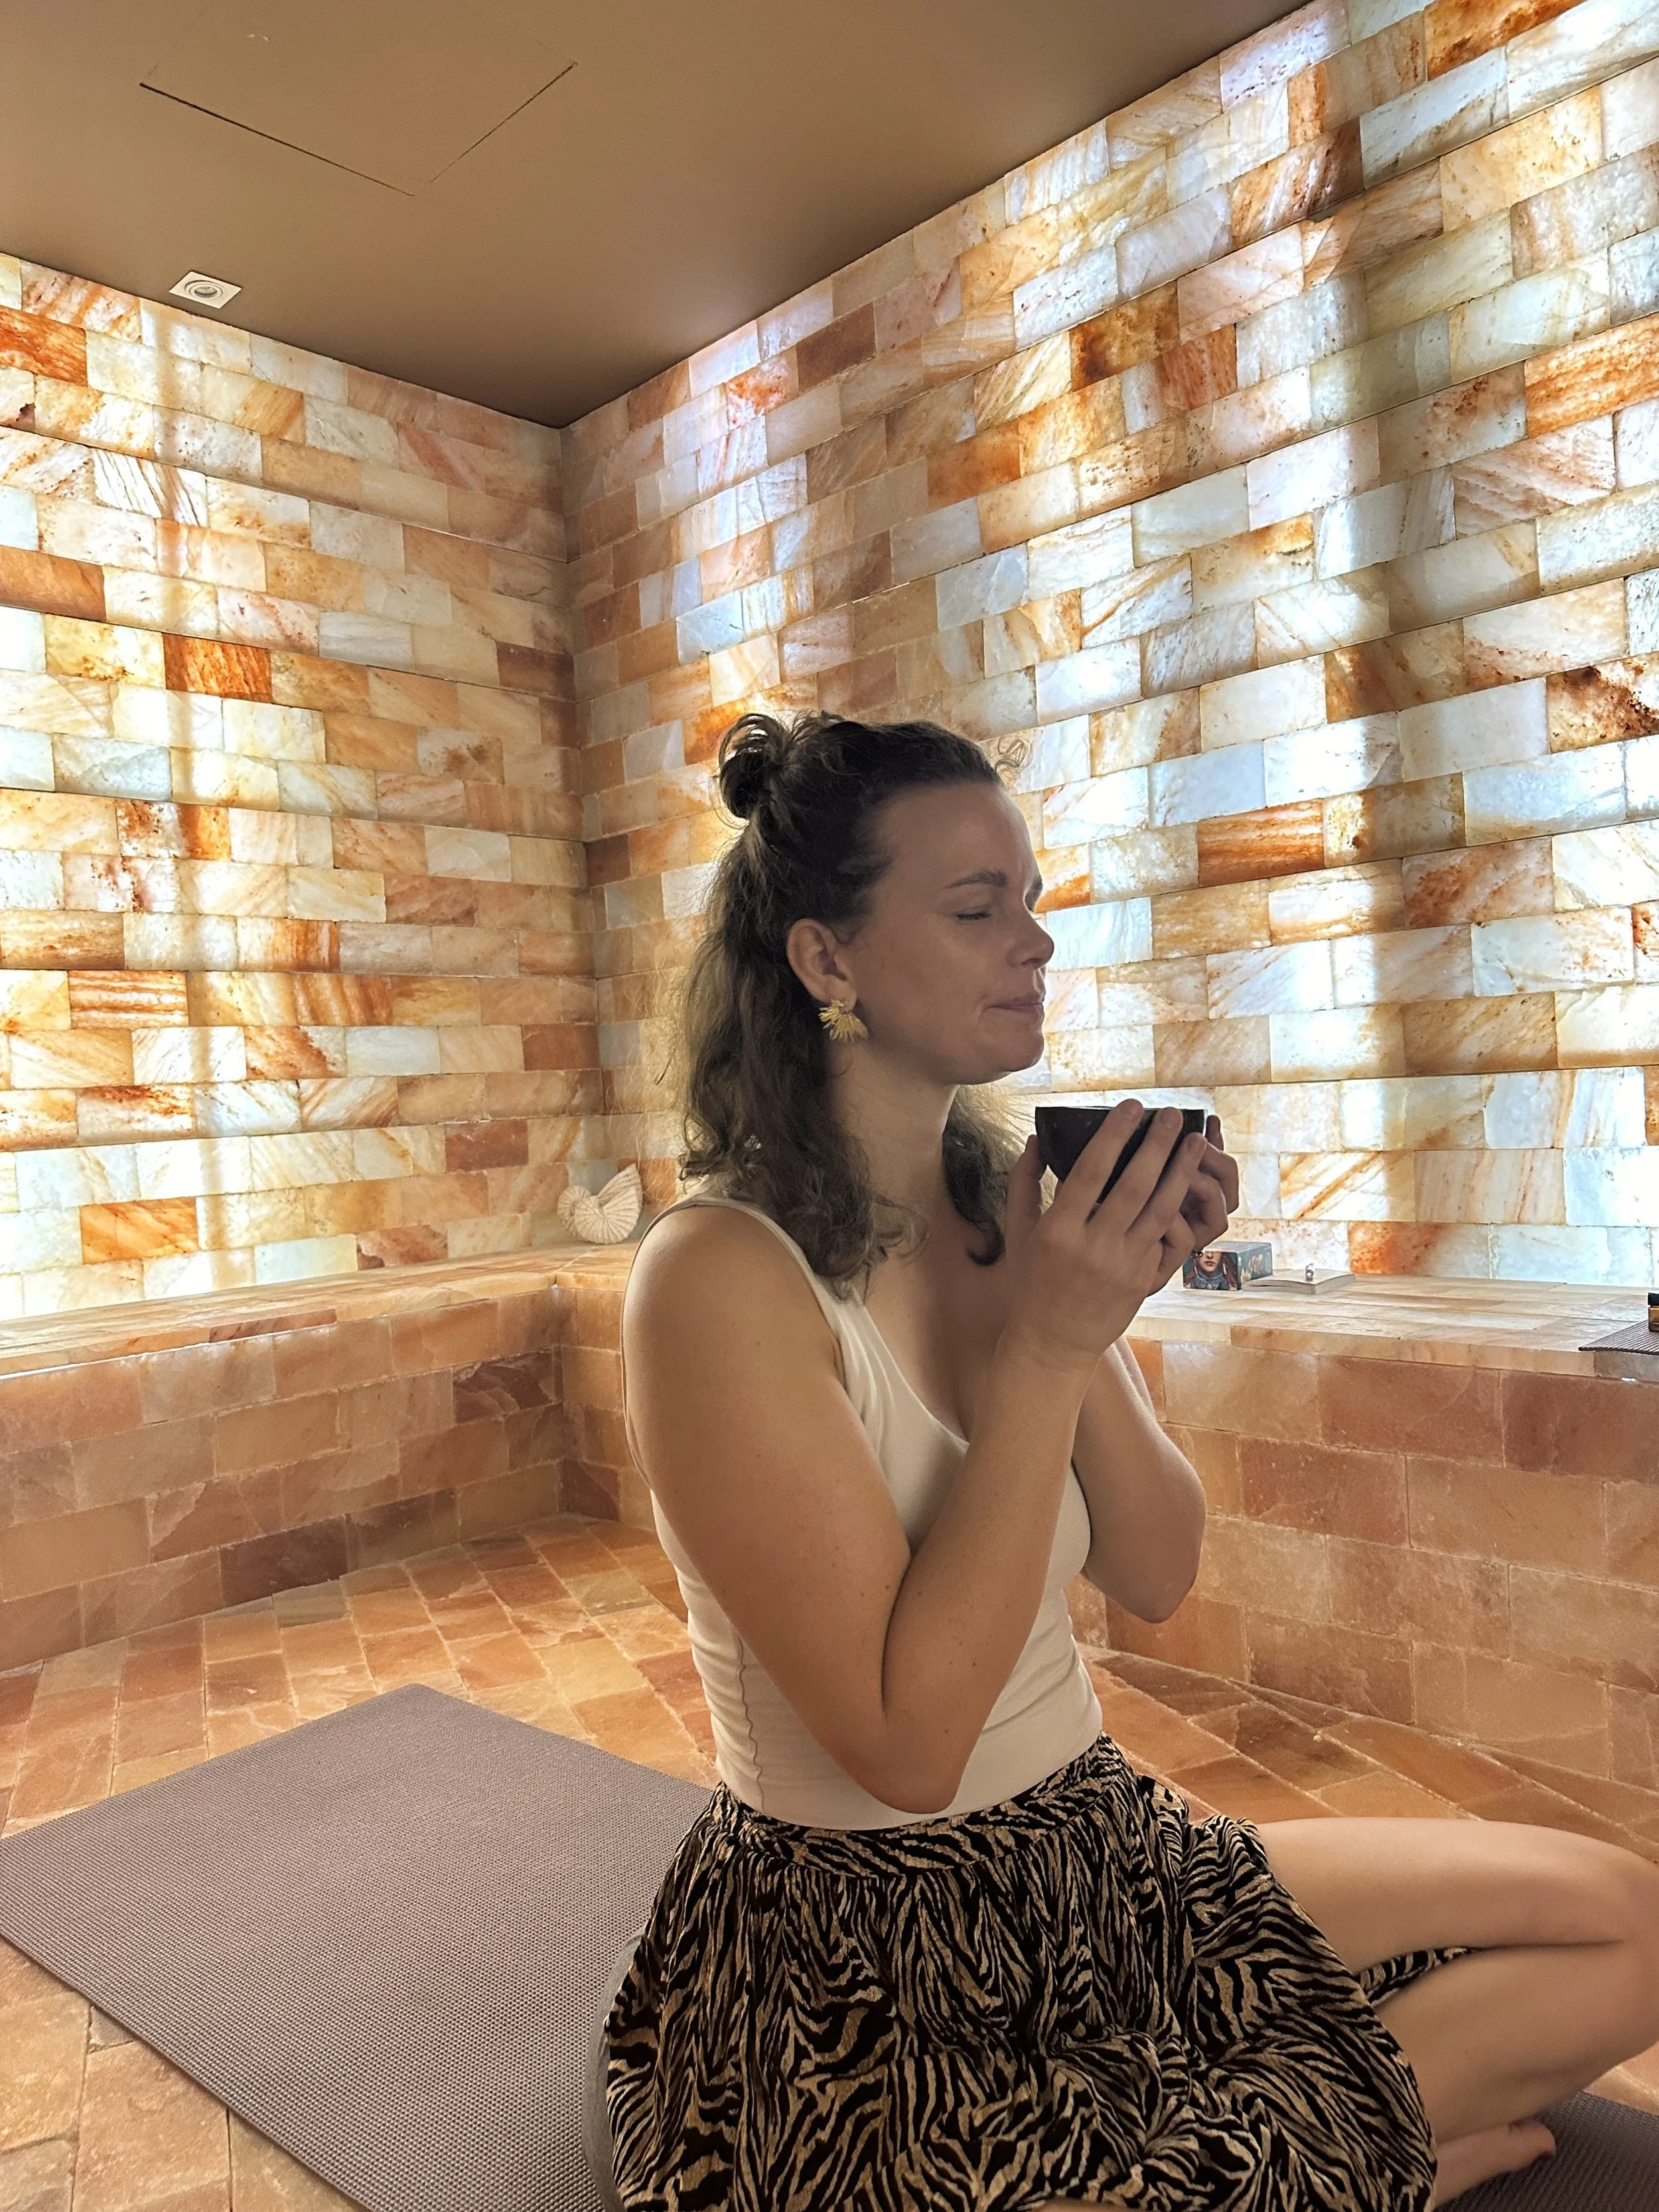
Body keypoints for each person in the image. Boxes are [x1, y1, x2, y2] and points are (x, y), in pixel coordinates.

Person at [597, 709, 1659, 2211]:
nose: (1030, 943)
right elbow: (902, 1751)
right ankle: (1349, 2154)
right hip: (865, 1952)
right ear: (826, 960)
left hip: (1101, 1845)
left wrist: (1084, 1311)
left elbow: (1156, 1572)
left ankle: (1307, 2154)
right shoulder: (716, 1281)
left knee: (1624, 1925)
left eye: (1027, 902)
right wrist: (1041, 1344)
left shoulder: (1002, 1201)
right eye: (974, 911)